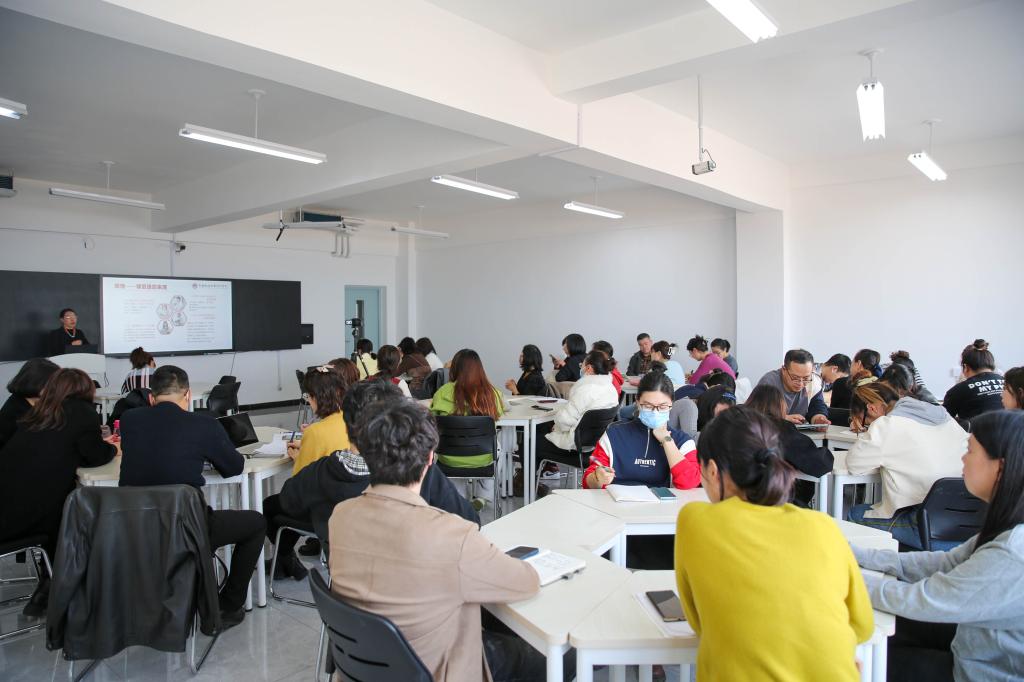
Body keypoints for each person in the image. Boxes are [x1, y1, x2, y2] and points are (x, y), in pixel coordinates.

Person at [329, 399, 569, 682]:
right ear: (430, 458)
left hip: (367, 667)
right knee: (558, 655)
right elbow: (525, 582)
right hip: (438, 669)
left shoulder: (340, 516)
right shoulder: (450, 534)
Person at [675, 407, 873, 682]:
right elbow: (862, 626)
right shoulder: (823, 526)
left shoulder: (695, 521)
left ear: (711, 470)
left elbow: (700, 623)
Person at [853, 410, 1024, 682]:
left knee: (862, 659)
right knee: (883, 630)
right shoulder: (1008, 525)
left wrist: (846, 580)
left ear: (1000, 468)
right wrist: (855, 555)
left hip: (979, 672)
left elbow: (925, 599)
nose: (962, 458)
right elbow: (945, 563)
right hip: (973, 641)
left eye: (970, 450)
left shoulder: (1012, 553)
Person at [118, 365, 266, 628]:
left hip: (136, 528)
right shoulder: (203, 424)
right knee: (255, 523)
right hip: (188, 529)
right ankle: (227, 605)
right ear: (187, 395)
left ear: (151, 397)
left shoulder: (130, 420)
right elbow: (234, 467)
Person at [279, 380, 478, 542]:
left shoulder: (320, 472)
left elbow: (288, 502)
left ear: (346, 425)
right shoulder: (420, 472)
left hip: (342, 574)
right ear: (398, 425)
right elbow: (470, 520)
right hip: (410, 573)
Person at [0, 368, 118, 617]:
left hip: (8, 509)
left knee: (62, 507)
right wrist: (113, 449)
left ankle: (48, 587)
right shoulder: (83, 412)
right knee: (74, 516)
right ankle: (65, 590)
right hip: (22, 520)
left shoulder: (39, 412)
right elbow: (95, 455)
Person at [846, 381, 968, 549]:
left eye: (865, 423)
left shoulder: (887, 425)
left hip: (925, 525)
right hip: (969, 525)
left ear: (872, 409)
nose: (867, 427)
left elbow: (854, 464)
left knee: (855, 514)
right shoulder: (946, 419)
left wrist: (867, 434)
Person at [583, 371, 700, 491]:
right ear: (638, 402)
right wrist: (597, 477)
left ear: (671, 404)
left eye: (662, 406)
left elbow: (689, 483)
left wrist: (667, 440)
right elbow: (588, 483)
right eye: (648, 406)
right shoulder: (614, 435)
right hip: (615, 501)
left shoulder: (683, 442)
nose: (655, 412)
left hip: (660, 502)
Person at [430, 349, 504, 510]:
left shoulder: (442, 392)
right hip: (482, 457)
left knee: (454, 449)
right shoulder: (492, 393)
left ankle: (459, 499)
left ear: (455, 368)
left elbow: (433, 420)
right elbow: (499, 415)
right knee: (498, 447)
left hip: (450, 457)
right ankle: (483, 496)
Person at [744, 384, 834, 507]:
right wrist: (825, 452)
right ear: (780, 405)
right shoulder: (780, 428)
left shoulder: (739, 425)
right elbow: (818, 463)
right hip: (777, 499)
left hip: (740, 494)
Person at [536, 350, 618, 459]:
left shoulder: (585, 390)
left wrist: (555, 427)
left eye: (581, 365)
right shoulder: (611, 389)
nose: (580, 368)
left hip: (575, 447)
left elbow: (564, 421)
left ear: (589, 368)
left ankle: (542, 468)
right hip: (597, 446)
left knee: (531, 442)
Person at [287, 365, 351, 476]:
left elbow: (301, 476)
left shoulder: (314, 432)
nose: (308, 400)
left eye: (308, 396)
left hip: (324, 486)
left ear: (316, 397)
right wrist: (307, 443)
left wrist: (297, 457)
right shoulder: (351, 420)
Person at [757, 349, 831, 425]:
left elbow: (817, 405)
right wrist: (783, 418)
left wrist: (818, 419)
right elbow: (755, 414)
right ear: (784, 370)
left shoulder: (813, 381)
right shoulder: (769, 383)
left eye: (806, 378)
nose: (801, 383)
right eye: (795, 378)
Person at [0, 357, 58, 449]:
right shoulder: (15, 412)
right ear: (36, 383)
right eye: (52, 383)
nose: (56, 388)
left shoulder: (38, 403)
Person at [943, 339, 1005, 422]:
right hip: (1013, 428)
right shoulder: (1008, 382)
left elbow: (943, 420)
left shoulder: (958, 390)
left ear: (966, 367)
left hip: (979, 429)